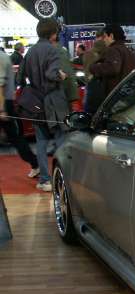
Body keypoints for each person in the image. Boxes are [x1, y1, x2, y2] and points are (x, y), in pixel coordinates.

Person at [19, 18, 68, 192]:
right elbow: (52, 74)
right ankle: (62, 177)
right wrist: (61, 75)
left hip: (36, 103)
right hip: (54, 103)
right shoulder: (53, 50)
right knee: (60, 139)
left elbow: (20, 77)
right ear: (53, 33)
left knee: (41, 142)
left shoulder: (30, 51)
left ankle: (44, 180)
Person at [0, 47, 39, 178]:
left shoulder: (1, 58)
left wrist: (2, 109)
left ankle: (35, 163)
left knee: (15, 138)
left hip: (4, 103)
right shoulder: (4, 57)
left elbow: (1, 85)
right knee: (15, 138)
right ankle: (35, 163)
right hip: (5, 102)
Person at [89, 24, 135, 99]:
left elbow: (112, 68)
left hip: (115, 96)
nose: (104, 40)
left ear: (111, 36)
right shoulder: (128, 51)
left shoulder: (113, 49)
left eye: (105, 36)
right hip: (128, 94)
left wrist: (93, 67)